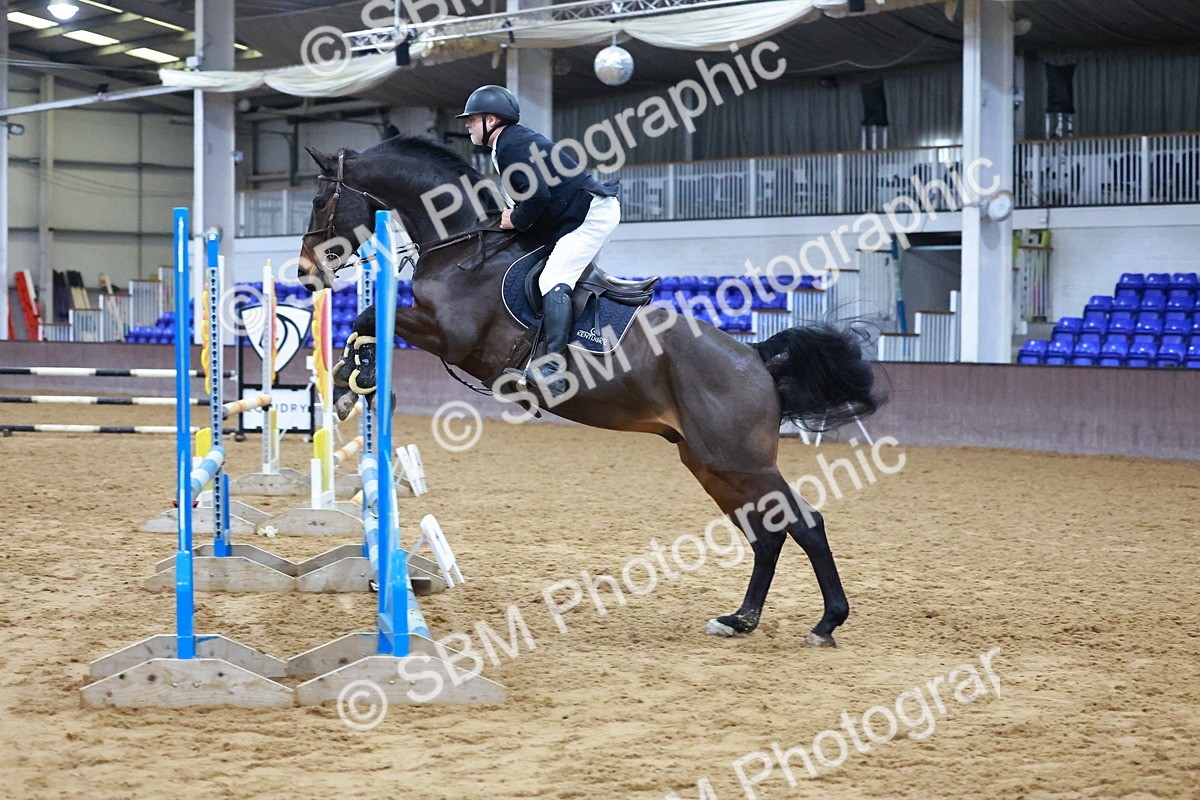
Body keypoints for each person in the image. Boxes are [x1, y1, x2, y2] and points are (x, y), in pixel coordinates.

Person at [457, 85, 620, 396]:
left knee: (554, 278)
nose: (467, 125)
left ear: (491, 120)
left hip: (590, 215)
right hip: (572, 213)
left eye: (472, 119)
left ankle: (553, 368)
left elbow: (536, 197)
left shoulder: (509, 147)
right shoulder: (511, 141)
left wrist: (514, 219)